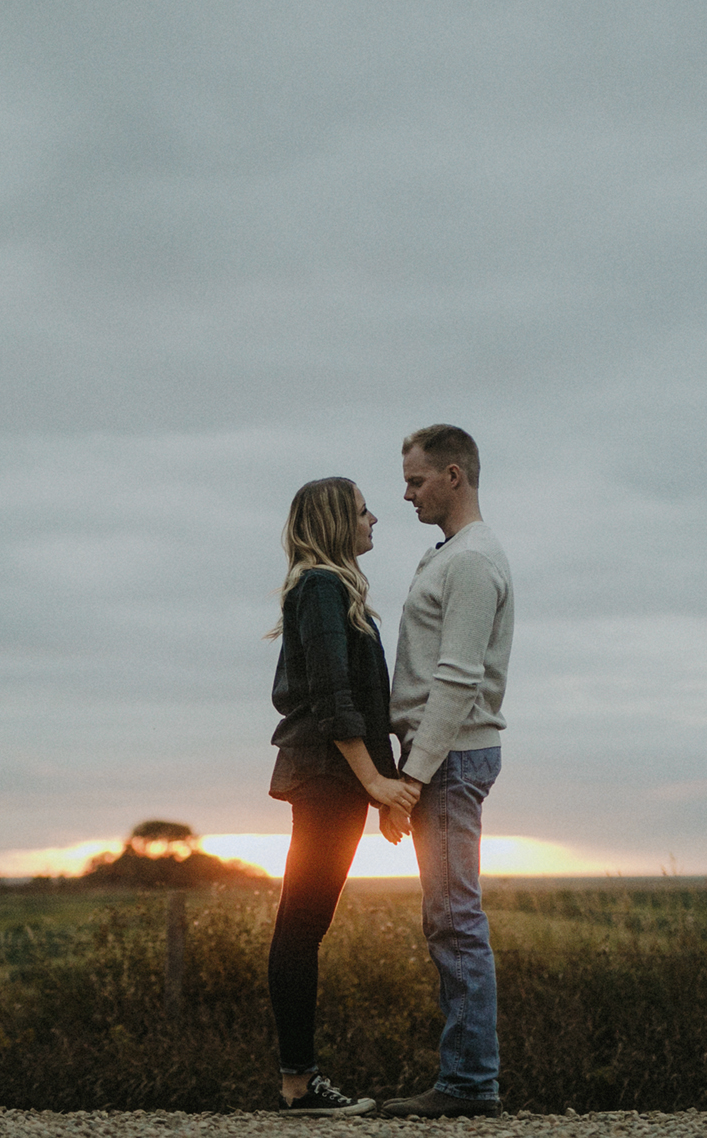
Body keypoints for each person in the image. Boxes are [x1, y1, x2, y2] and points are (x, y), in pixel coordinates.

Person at [264, 476, 420, 1117]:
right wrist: (377, 782)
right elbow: (334, 700)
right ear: (336, 522)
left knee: (304, 924)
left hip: (333, 782)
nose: (375, 519)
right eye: (362, 511)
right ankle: (299, 1086)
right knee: (300, 926)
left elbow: (364, 701)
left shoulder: (330, 589)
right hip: (326, 780)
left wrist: (378, 792)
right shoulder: (322, 586)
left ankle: (299, 1082)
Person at [377, 425, 515, 1119]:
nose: (405, 493)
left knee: (456, 919)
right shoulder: (451, 555)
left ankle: (468, 1084)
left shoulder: (471, 560)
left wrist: (412, 778)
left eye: (416, 479)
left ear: (454, 475)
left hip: (451, 755)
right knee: (447, 917)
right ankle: (465, 1078)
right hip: (445, 752)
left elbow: (457, 679)